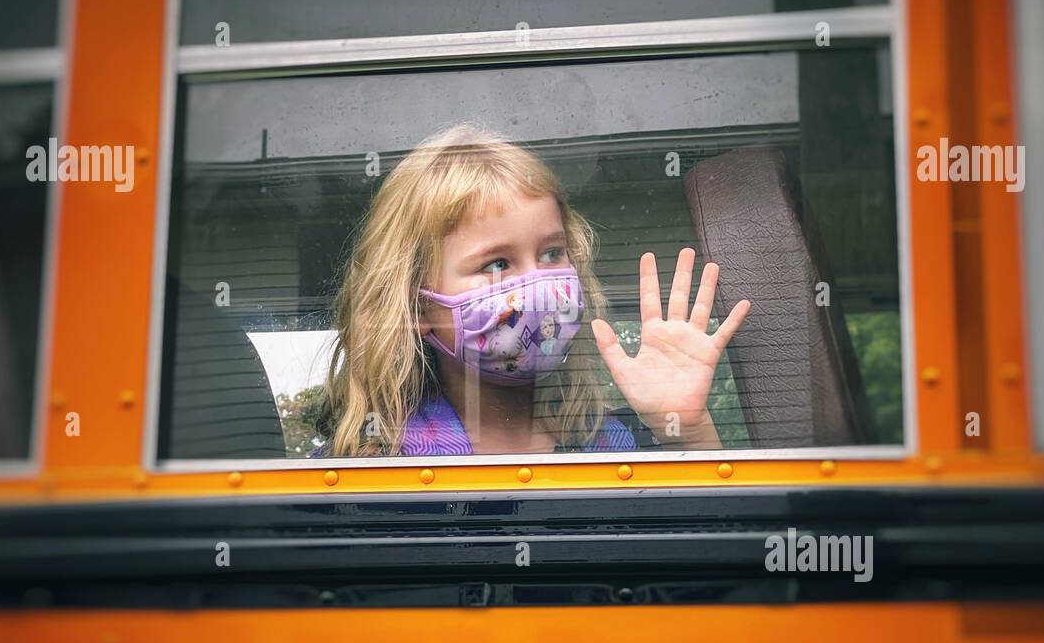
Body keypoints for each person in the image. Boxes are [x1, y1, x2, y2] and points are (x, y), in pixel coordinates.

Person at [313, 124, 750, 456]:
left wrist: (686, 430)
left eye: (551, 254)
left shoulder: (617, 445)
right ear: (418, 306)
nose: (539, 286)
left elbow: (712, 557)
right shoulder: (367, 464)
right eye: (497, 263)